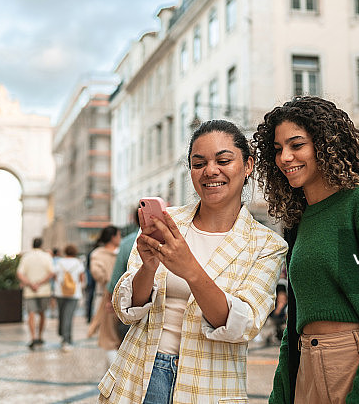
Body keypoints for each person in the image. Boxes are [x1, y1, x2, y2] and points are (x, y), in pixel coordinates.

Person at [99, 120, 287, 404]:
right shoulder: (167, 223)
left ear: (248, 165)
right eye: (198, 164)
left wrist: (191, 271)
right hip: (136, 376)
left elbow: (242, 326)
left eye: (223, 160)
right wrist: (148, 269)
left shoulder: (266, 244)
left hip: (208, 388)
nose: (210, 171)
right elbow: (127, 311)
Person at [254, 97, 359, 403]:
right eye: (278, 149)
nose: (285, 157)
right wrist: (281, 393)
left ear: (325, 144)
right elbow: (295, 319)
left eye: (296, 145)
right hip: (307, 372)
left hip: (355, 369)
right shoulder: (298, 221)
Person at [87, 225, 122, 366]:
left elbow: (97, 273)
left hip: (104, 296)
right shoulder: (124, 251)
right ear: (113, 237)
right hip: (124, 297)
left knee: (108, 338)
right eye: (119, 235)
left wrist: (107, 281)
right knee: (118, 338)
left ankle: (114, 375)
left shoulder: (97, 254)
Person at [17, 238, 55, 349]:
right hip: (44, 290)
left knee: (31, 314)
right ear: (41, 245)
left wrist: (30, 284)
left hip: (30, 290)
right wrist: (39, 283)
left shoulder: (26, 257)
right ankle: (40, 336)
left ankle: (33, 337)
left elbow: (19, 273)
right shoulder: (47, 256)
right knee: (42, 313)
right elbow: (51, 273)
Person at [54, 244, 86, 351]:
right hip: (74, 293)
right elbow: (82, 278)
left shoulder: (59, 262)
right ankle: (67, 340)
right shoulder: (78, 263)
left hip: (60, 292)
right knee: (68, 316)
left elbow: (55, 276)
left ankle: (62, 334)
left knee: (62, 314)